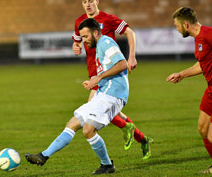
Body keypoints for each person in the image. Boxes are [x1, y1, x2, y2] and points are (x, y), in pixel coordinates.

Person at [26, 18, 131, 175]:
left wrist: (99, 78)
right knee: (73, 123)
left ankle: (107, 165)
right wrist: (93, 82)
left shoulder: (105, 42)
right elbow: (108, 69)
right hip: (104, 92)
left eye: (85, 37)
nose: (84, 41)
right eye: (81, 37)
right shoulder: (100, 46)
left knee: (88, 130)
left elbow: (123, 64)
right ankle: (43, 156)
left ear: (96, 33)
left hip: (113, 94)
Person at [72, 0, 153, 159]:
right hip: (94, 73)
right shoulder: (80, 22)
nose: (88, 4)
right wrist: (76, 46)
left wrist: (131, 56)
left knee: (93, 110)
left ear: (97, 1)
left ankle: (108, 161)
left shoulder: (108, 18)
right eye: (84, 1)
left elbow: (130, 32)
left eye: (90, 1)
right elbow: (78, 41)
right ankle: (142, 139)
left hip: (108, 73)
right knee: (109, 111)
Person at [166, 7, 212, 174]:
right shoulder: (197, 40)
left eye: (177, 26)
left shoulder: (210, 34)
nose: (176, 29)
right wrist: (182, 74)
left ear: (185, 24)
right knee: (203, 129)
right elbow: (202, 65)